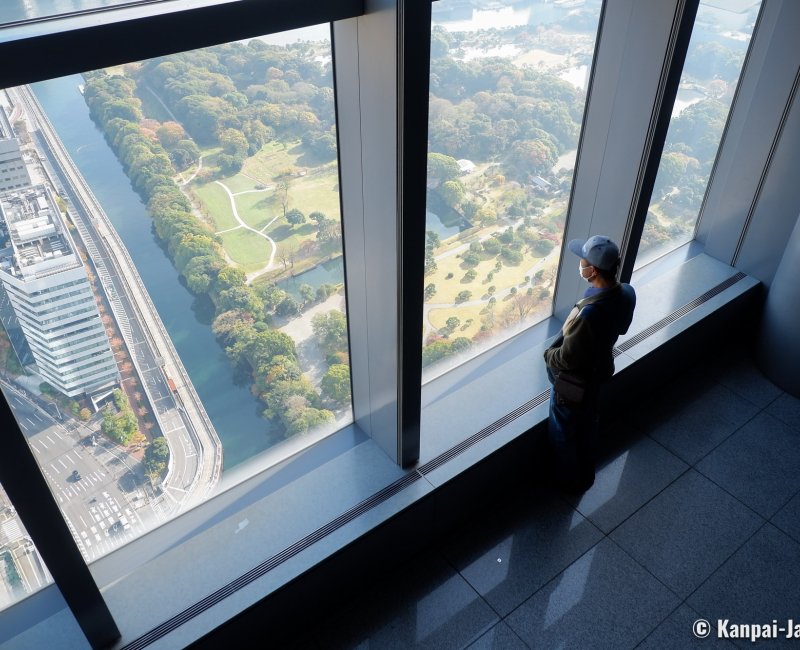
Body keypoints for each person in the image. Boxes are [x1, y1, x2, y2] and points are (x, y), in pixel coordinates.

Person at [543, 235, 636, 493]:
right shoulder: (627, 292)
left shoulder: (590, 313)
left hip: (574, 382)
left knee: (563, 430)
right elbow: (624, 327)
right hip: (600, 370)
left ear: (592, 270)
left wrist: (547, 355)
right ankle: (586, 472)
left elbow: (566, 358)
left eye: (582, 261)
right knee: (588, 423)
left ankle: (569, 481)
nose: (580, 264)